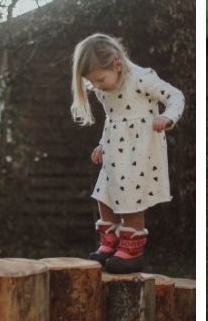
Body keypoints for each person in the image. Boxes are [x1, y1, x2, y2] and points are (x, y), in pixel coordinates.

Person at [71, 33, 185, 273]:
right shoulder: (104, 89)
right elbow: (112, 119)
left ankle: (132, 250)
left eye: (100, 79)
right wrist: (103, 143)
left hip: (139, 151)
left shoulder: (142, 79)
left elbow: (175, 95)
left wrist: (168, 117)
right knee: (104, 195)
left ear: (117, 64)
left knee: (131, 197)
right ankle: (109, 243)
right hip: (115, 151)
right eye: (93, 82)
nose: (98, 86)